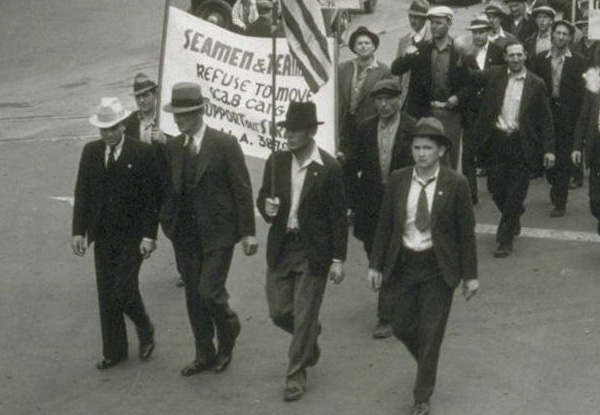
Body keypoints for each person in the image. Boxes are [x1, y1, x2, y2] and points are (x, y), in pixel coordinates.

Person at [367, 117, 479, 415]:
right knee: (402, 325)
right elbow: (385, 225)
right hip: (403, 264)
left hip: (437, 268)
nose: (421, 154)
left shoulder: (457, 184)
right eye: (416, 147)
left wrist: (471, 276)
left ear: (441, 150)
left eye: (427, 148)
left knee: (431, 332)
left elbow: (466, 233)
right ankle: (428, 361)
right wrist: (376, 265)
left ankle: (422, 394)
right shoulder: (398, 180)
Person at [160, 82, 258, 376]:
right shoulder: (174, 147)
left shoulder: (224, 144)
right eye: (175, 114)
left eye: (184, 114)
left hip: (218, 234)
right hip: (186, 235)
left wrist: (248, 233)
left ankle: (228, 333)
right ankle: (204, 352)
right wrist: (169, 223)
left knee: (208, 293)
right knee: (193, 297)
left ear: (200, 112)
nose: (178, 120)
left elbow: (242, 189)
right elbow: (168, 190)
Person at [256, 101, 347, 402]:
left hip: (313, 251)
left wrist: (338, 260)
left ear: (310, 132)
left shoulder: (329, 168)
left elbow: (337, 218)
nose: (288, 135)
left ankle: (295, 375)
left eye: (295, 130)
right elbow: (263, 201)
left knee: (305, 313)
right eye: (286, 129)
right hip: (282, 247)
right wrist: (266, 209)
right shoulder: (276, 162)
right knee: (279, 311)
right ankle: (309, 338)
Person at [72, 97, 159, 370]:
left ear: (123, 126)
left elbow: (150, 199)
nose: (108, 134)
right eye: (103, 129)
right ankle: (114, 350)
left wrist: (149, 236)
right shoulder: (91, 152)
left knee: (123, 289)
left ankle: (144, 327)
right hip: (103, 235)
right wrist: (78, 232)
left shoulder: (141, 153)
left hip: (132, 236)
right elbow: (82, 193)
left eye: (113, 128)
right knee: (106, 293)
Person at [345, 79, 417, 339]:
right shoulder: (365, 128)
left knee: (392, 255)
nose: (384, 105)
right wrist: (350, 202)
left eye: (390, 99)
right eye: (379, 100)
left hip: (402, 202)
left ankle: (385, 316)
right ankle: (398, 296)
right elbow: (352, 166)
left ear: (400, 100)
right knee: (374, 250)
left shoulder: (413, 128)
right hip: (371, 204)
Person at [474, 40, 555, 257]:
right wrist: (462, 55)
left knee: (515, 193)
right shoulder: (496, 75)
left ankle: (504, 240)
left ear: (525, 55)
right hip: (498, 141)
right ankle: (515, 215)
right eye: (511, 55)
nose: (516, 59)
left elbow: (545, 119)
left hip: (522, 144)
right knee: (495, 188)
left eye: (519, 54)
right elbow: (471, 77)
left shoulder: (536, 84)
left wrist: (549, 149)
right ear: (505, 57)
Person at [391, 6, 469, 169]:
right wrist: (408, 54)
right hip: (426, 111)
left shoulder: (459, 50)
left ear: (449, 23)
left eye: (438, 23)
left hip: (451, 113)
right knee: (425, 156)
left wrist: (458, 97)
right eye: (432, 23)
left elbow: (470, 82)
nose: (434, 27)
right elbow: (396, 69)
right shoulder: (422, 49)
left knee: (449, 157)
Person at [123, 73, 182, 286]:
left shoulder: (167, 120)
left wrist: (166, 140)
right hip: (141, 187)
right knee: (135, 231)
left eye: (146, 95)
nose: (142, 100)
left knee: (174, 229)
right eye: (138, 96)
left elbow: (185, 146)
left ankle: (185, 270)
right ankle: (128, 275)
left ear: (155, 94)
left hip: (165, 185)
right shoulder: (129, 122)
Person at [529, 20, 586, 217]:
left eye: (565, 34)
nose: (561, 37)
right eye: (558, 33)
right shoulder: (539, 60)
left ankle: (560, 202)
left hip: (568, 115)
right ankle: (554, 183)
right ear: (552, 35)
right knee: (548, 155)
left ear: (570, 38)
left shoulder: (578, 61)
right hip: (546, 113)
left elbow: (584, 91)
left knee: (562, 158)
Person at [463, 14, 505, 204]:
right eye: (475, 33)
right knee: (468, 153)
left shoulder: (498, 51)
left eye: (482, 32)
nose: (478, 36)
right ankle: (471, 194)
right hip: (471, 109)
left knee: (492, 150)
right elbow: (461, 77)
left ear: (489, 32)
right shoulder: (466, 53)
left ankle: (494, 185)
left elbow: (500, 77)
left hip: (491, 108)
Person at [338, 26, 391, 158]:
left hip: (370, 123)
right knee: (345, 157)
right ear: (354, 48)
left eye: (367, 43)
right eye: (359, 43)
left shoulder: (383, 70)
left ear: (373, 47)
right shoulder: (344, 67)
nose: (363, 46)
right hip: (346, 123)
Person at [573, 67, 600, 233]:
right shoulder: (594, 85)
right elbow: (583, 118)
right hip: (597, 148)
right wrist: (577, 147)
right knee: (595, 202)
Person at [396, 0, 432, 111]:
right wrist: (398, 93)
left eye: (417, 17)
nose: (412, 20)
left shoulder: (432, 39)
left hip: (427, 96)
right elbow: (398, 71)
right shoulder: (404, 40)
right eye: (410, 16)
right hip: (408, 95)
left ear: (425, 19)